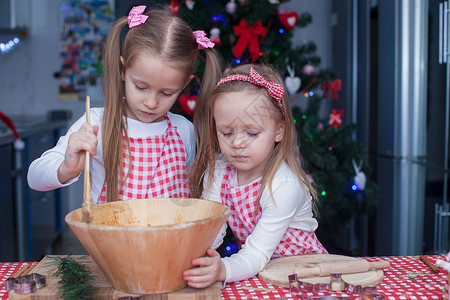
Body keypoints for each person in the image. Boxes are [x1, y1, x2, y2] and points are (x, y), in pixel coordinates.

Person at [28, 6, 221, 203]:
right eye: (140, 87)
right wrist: (66, 169)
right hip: (112, 234)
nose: (151, 103)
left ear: (184, 85)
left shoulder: (184, 131)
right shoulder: (97, 124)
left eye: (166, 93)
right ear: (122, 70)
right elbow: (34, 177)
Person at [184, 64, 327, 288]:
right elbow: (211, 228)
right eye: (227, 132)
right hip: (260, 274)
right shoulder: (220, 171)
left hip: (306, 277)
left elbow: (257, 252)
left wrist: (223, 268)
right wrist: (189, 256)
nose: (238, 143)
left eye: (251, 133)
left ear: (279, 130)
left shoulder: (283, 185)